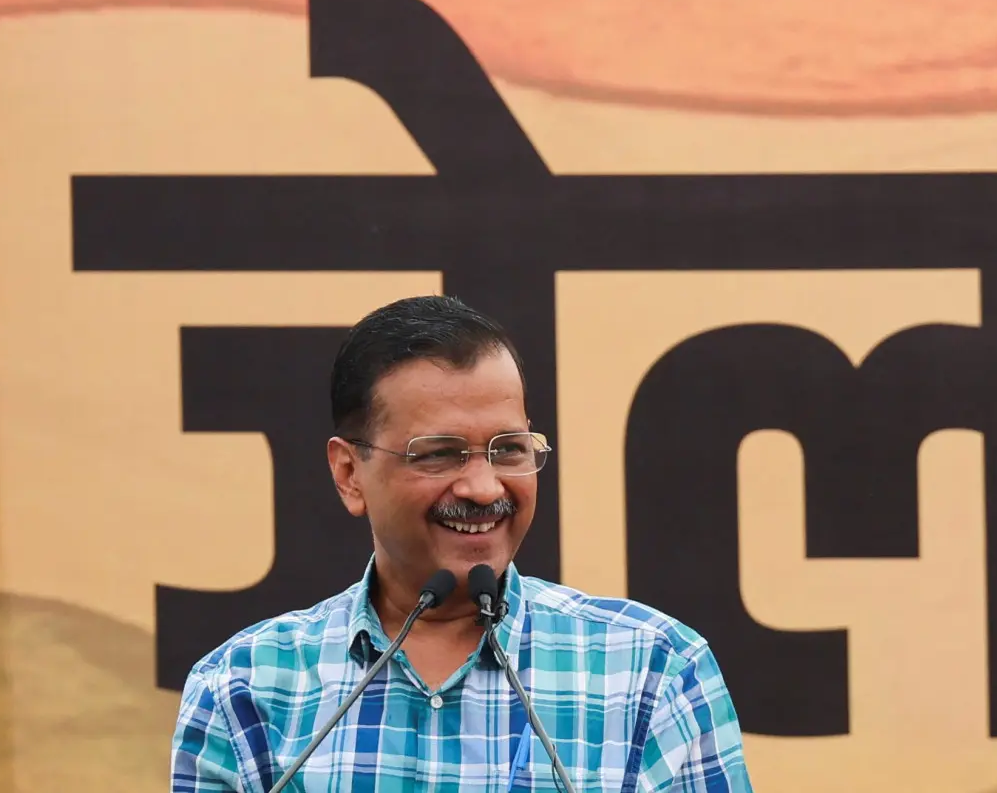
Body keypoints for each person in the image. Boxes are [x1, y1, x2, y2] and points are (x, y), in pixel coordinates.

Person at [170, 294, 754, 792]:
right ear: (350, 474)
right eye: (440, 453)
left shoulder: (653, 672)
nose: (482, 487)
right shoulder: (244, 689)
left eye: (509, 449)